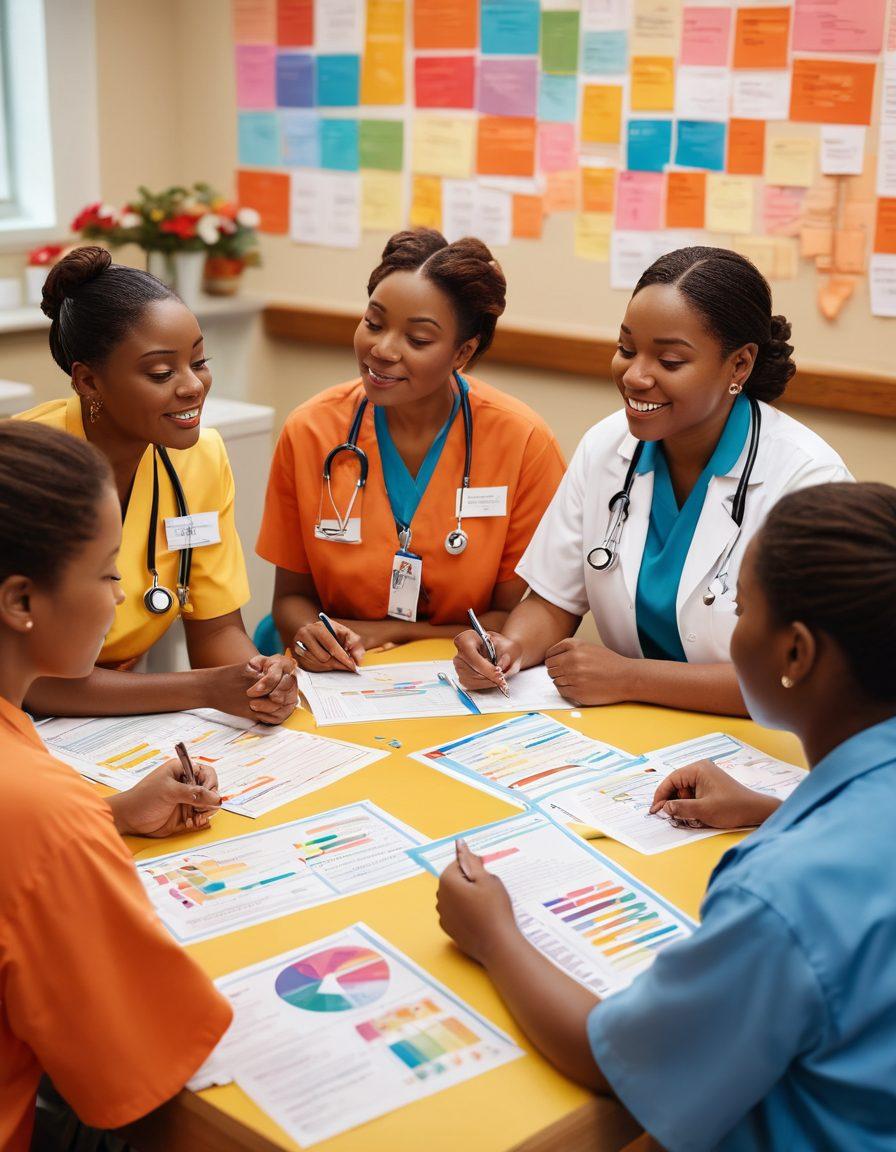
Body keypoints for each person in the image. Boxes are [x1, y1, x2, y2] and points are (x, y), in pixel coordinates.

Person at [437, 481, 896, 1151]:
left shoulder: (778, 897)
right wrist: (774, 811)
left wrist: (494, 936)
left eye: (741, 611)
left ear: (795, 654)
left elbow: (618, 1065)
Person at [454, 246, 851, 716]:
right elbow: (553, 602)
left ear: (739, 365)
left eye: (670, 361)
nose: (635, 376)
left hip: (758, 748)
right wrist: (507, 648)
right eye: (626, 349)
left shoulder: (807, 480)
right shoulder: (606, 447)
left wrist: (630, 678)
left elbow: (797, 679)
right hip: (637, 734)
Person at [0, 422, 233, 1152]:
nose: (124, 592)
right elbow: (136, 1065)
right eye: (106, 572)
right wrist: (75, 831)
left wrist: (111, 814)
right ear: (19, 600)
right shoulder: (40, 807)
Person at [256, 228, 566, 673]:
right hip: (336, 674)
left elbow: (511, 617)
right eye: (373, 323)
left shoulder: (522, 442)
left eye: (417, 340)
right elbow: (290, 599)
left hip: (458, 674)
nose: (381, 350)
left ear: (463, 351)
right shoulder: (311, 430)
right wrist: (313, 636)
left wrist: (395, 633)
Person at [17, 246, 296, 722]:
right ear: (87, 381)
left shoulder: (201, 459)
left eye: (200, 361)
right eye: (161, 372)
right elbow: (33, 679)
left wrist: (259, 679)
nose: (192, 386)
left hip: (114, 717)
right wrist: (207, 687)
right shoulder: (27, 468)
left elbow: (213, 631)